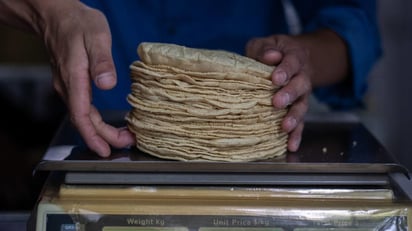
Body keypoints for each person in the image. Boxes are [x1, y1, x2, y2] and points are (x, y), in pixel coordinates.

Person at [0, 0, 381, 157]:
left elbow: (354, 26)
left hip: (255, 129)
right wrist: (49, 11)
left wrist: (304, 58)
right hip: (102, 136)